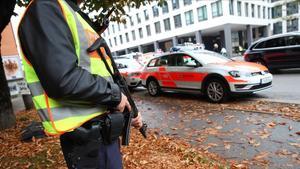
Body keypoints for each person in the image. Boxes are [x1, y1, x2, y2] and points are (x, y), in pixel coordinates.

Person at [18, 0, 143, 168]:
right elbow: (63, 80)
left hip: (101, 133)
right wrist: (114, 96)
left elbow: (102, 73)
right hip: (87, 138)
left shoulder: (67, 10)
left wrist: (129, 110)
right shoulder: (46, 7)